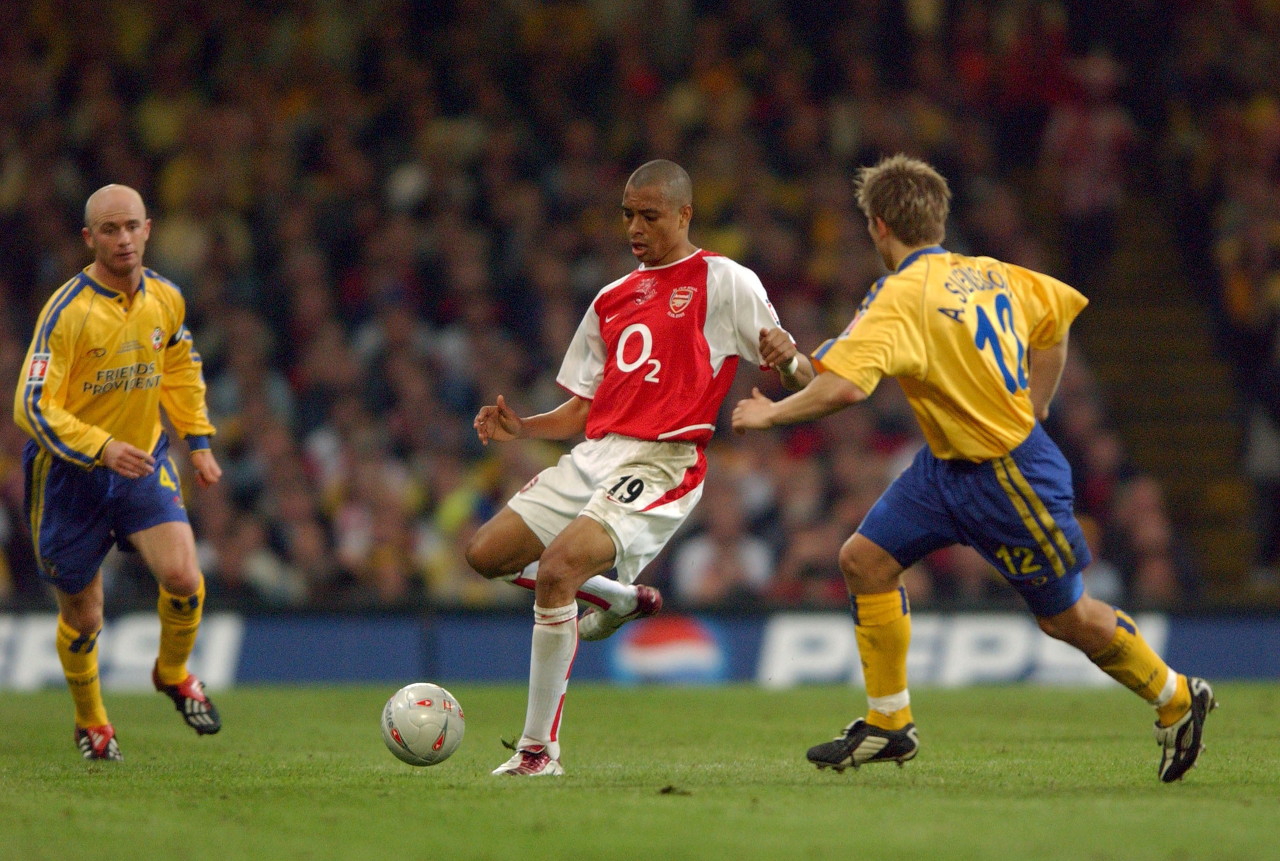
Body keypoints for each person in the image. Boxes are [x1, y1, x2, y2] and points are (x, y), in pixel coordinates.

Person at [732, 154, 1215, 783]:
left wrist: (771, 414)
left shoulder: (899, 296)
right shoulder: (990, 273)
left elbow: (845, 390)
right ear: (937, 219)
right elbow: (1054, 321)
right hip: (945, 468)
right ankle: (889, 723)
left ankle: (1177, 697)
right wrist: (791, 361)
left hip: (1009, 475)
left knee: (1065, 617)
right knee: (864, 561)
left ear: (879, 226)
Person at [467, 159, 811, 776]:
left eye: (649, 216)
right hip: (595, 454)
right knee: (485, 555)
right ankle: (619, 599)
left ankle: (537, 751)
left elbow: (803, 376)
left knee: (557, 570)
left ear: (684, 214)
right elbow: (584, 408)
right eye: (628, 215)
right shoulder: (611, 298)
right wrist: (525, 428)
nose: (635, 228)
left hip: (663, 460)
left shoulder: (725, 280)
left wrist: (788, 362)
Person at [14, 184, 223, 761]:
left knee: (183, 576)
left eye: (132, 226)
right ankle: (92, 722)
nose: (123, 238)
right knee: (85, 617)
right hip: (68, 476)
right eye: (110, 229)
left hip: (142, 460)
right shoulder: (66, 313)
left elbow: (179, 366)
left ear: (148, 229)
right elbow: (30, 406)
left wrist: (198, 440)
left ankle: (172, 672)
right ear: (90, 238)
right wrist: (101, 448)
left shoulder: (166, 299)